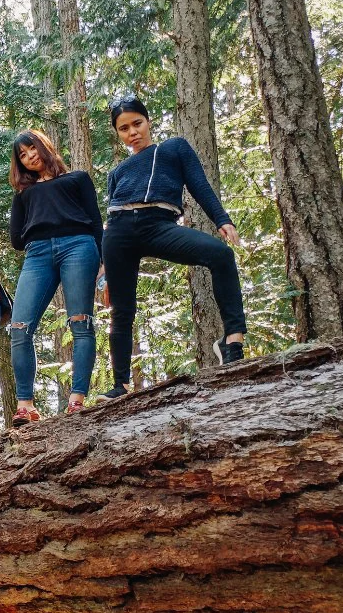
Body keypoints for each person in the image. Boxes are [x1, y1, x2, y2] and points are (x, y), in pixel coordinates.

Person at [101, 95, 246, 398]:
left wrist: (222, 219)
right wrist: (104, 273)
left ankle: (232, 341)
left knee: (220, 255)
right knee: (121, 309)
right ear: (118, 134)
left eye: (137, 123)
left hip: (159, 225)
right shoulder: (117, 172)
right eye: (124, 128)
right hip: (118, 232)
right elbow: (110, 214)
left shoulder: (173, 148)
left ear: (148, 121)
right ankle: (120, 385)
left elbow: (199, 184)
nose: (132, 132)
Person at [8, 130, 104, 421]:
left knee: (80, 322)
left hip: (79, 246)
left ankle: (76, 400)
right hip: (37, 255)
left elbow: (96, 221)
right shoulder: (24, 193)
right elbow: (16, 240)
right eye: (22, 155)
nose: (29, 157)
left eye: (31, 149)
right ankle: (25, 406)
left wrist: (103, 262)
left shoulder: (77, 179)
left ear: (44, 146)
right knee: (19, 328)